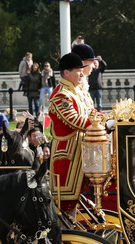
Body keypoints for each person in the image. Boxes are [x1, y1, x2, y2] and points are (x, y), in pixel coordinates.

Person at [48, 52, 101, 203]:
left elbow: (90, 112)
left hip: (81, 152)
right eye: (78, 70)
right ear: (66, 72)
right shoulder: (61, 95)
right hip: (67, 155)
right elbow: (74, 120)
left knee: (77, 200)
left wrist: (106, 119)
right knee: (64, 201)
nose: (82, 74)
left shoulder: (76, 92)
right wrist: (101, 125)